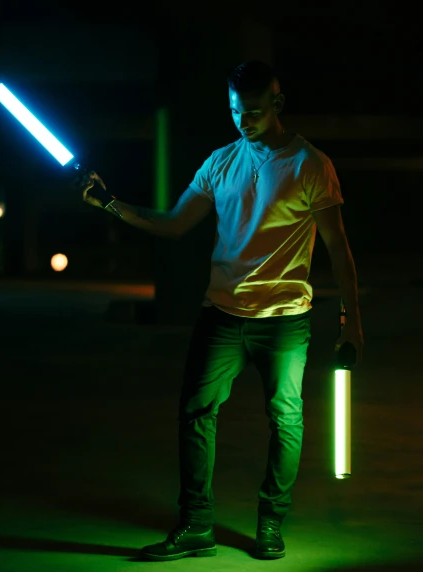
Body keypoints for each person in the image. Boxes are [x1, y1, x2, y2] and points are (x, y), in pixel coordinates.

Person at [79, 60, 363, 561]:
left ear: (277, 104)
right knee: (195, 413)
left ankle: (271, 523)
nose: (243, 120)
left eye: (253, 110)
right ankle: (195, 526)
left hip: (284, 319)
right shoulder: (220, 162)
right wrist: (112, 205)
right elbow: (173, 223)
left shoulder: (310, 165)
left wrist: (352, 323)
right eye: (235, 110)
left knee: (287, 420)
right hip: (222, 314)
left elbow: (339, 247)